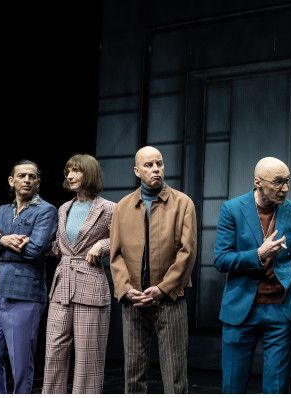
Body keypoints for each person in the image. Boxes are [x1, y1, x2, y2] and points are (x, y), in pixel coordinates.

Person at [214, 156, 291, 394]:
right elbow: (221, 259)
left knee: (276, 388)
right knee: (232, 385)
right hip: (240, 309)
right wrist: (258, 254)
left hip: (282, 310)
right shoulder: (232, 209)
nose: (285, 188)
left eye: (288, 181)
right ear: (258, 182)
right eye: (278, 182)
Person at [110, 146, 197, 393]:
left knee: (175, 375)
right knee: (133, 375)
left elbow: (187, 253)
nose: (156, 169)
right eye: (148, 165)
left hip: (170, 299)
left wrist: (162, 288)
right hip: (134, 301)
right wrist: (126, 290)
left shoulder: (183, 203)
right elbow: (116, 255)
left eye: (159, 163)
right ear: (137, 171)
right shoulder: (123, 207)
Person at [0, 160, 58, 393]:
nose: (27, 180)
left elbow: (35, 249)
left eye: (32, 176)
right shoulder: (2, 210)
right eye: (22, 176)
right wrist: (2, 240)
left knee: (20, 361)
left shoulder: (46, 210)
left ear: (38, 182)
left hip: (24, 294)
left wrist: (0, 239)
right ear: (12, 181)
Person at [42, 154, 115, 393]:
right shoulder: (64, 208)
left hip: (91, 286)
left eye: (76, 171)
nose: (70, 176)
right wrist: (32, 241)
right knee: (53, 352)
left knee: (88, 359)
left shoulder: (108, 208)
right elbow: (58, 246)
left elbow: (124, 242)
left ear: (90, 174)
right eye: (68, 172)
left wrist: (102, 245)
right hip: (62, 285)